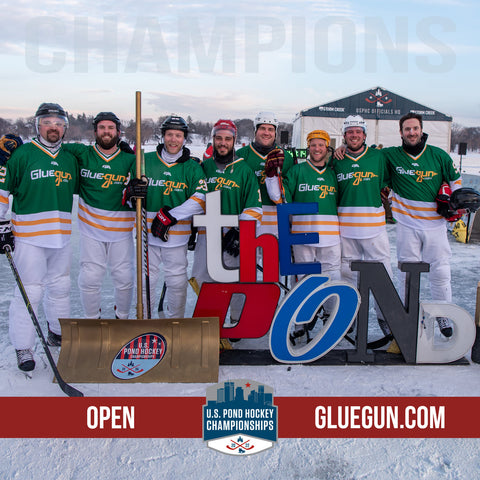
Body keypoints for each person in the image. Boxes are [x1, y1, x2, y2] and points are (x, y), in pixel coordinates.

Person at [0, 103, 78, 371]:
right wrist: (2, 223)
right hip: (29, 237)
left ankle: (57, 331)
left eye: (58, 122)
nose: (53, 126)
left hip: (61, 236)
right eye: (47, 121)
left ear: (65, 127)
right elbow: (2, 191)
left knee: (60, 286)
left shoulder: (69, 158)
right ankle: (24, 346)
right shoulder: (21, 155)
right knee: (30, 291)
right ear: (38, 125)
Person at [382, 112, 462, 337]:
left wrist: (454, 202)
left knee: (441, 270)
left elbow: (456, 182)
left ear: (421, 129)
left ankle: (444, 315)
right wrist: (335, 150)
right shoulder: (390, 155)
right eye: (407, 129)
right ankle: (407, 317)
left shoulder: (438, 155)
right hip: (407, 225)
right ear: (401, 132)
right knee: (406, 272)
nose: (412, 132)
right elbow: (366, 157)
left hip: (436, 225)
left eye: (415, 128)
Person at [123, 115, 207, 318]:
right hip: (146, 236)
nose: (173, 139)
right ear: (162, 136)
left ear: (184, 138)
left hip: (177, 238)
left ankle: (174, 324)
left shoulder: (192, 167)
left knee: (177, 282)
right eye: (169, 134)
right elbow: (126, 198)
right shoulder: (144, 161)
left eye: (178, 135)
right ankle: (144, 322)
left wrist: (170, 216)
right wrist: (132, 194)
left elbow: (201, 199)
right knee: (146, 281)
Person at [266, 129, 340, 341]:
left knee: (332, 277)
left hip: (331, 236)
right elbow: (279, 197)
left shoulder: (334, 172)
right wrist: (272, 175)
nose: (317, 149)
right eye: (313, 145)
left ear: (327, 148)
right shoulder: (298, 171)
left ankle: (331, 315)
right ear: (308, 148)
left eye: (321, 145)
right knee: (304, 279)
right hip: (302, 234)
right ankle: (303, 318)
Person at [62, 112, 138, 320]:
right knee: (90, 277)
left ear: (118, 132)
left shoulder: (131, 160)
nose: (106, 132)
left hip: (121, 231)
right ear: (95, 131)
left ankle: (122, 318)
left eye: (111, 128)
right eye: (102, 128)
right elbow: (52, 148)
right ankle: (91, 320)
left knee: (124, 277)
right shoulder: (82, 152)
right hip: (91, 229)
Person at [191, 119, 262, 326]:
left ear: (234, 141)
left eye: (227, 139)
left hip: (232, 237)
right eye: (219, 138)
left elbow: (254, 207)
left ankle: (235, 321)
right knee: (201, 278)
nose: (223, 143)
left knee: (234, 280)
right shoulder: (204, 167)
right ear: (213, 140)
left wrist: (240, 231)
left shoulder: (244, 170)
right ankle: (209, 322)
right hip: (206, 234)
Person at [332, 115, 393, 336]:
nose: (354, 135)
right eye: (350, 132)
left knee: (383, 274)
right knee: (348, 276)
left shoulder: (378, 156)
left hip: (374, 229)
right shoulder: (336, 159)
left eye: (358, 132)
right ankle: (350, 318)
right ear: (344, 135)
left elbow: (388, 181)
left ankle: (387, 318)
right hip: (346, 230)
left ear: (365, 135)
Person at [236, 112, 294, 237]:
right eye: (262, 128)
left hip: (276, 222)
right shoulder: (241, 155)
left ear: (275, 132)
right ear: (255, 130)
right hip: (248, 218)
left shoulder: (286, 157)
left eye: (270, 129)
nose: (266, 133)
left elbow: (290, 193)